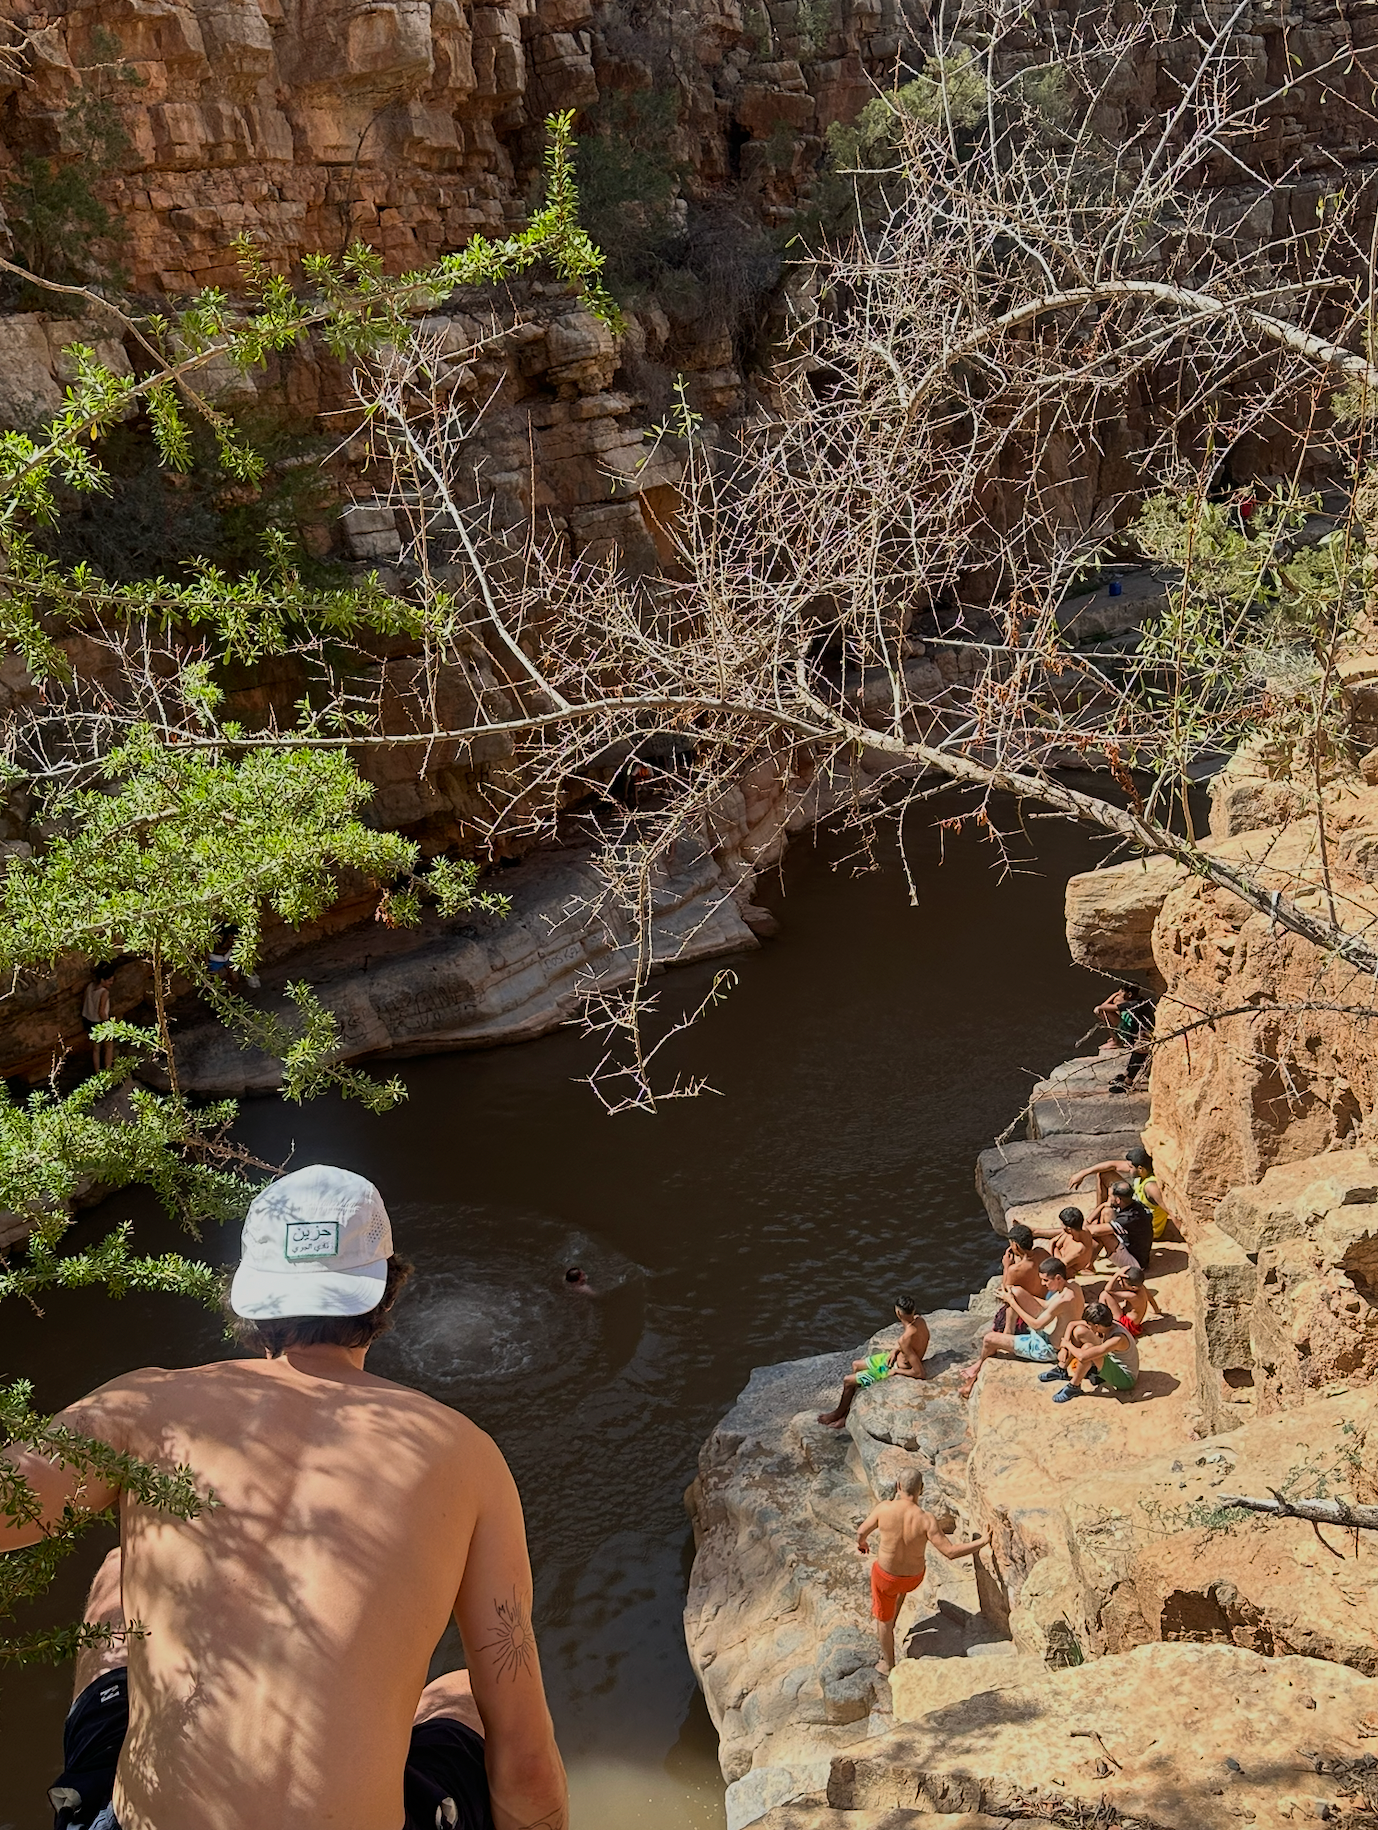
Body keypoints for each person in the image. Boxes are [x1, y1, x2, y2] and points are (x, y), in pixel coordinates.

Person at [3, 1163, 567, 1830]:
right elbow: (525, 1766)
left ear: (249, 1298)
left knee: (119, 1571)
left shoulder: (145, 1403)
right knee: (468, 1693)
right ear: (385, 1292)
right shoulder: (468, 1455)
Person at [855, 1467, 992, 1674]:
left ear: (898, 1486)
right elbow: (951, 1552)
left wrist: (863, 1544)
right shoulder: (927, 1520)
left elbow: (861, 1532)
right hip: (913, 1578)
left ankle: (888, 1664)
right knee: (899, 1588)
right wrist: (982, 1542)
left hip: (886, 1578)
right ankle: (894, 1612)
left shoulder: (884, 1509)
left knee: (883, 1620)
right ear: (922, 1489)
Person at [958, 1259, 1084, 1399]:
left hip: (1047, 1347)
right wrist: (1016, 1296)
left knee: (989, 1339)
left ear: (1058, 1278)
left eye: (1046, 1280)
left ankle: (977, 1371)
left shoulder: (1063, 1300)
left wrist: (1012, 1301)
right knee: (1016, 1291)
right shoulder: (1073, 1286)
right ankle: (1007, 1339)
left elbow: (1037, 1324)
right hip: (1051, 1329)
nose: (1043, 1284)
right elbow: (1048, 1306)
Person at [818, 1297, 930, 1428]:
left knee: (847, 1380)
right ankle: (849, 1410)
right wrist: (895, 1351)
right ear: (913, 1310)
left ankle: (839, 1414)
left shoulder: (905, 1339)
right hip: (893, 1359)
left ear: (898, 1312)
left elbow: (919, 1373)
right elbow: (913, 1343)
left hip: (891, 1369)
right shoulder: (920, 1320)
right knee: (856, 1365)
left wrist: (896, 1371)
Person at [1039, 1301, 1140, 1402]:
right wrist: (1064, 1348)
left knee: (1087, 1349)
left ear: (1097, 1326)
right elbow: (1072, 1324)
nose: (1088, 1326)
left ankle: (1074, 1386)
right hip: (1111, 1358)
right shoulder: (1108, 1324)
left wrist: (1067, 1344)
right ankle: (1061, 1369)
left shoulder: (1117, 1339)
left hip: (1125, 1378)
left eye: (1089, 1324)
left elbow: (1083, 1356)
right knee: (1079, 1331)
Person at [1069, 1144, 1171, 1239]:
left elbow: (1170, 1210)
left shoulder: (1151, 1187)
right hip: (1133, 1208)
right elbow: (1112, 1165)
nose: (1128, 1169)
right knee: (1104, 1174)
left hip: (1142, 1227)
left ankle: (1105, 1233)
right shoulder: (1143, 1171)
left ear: (1140, 1168)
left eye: (1130, 1167)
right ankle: (1097, 1217)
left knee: (1107, 1212)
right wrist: (1083, 1173)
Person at [1092, 984, 1157, 1092]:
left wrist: (1113, 996)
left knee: (1140, 1051)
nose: (1119, 994)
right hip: (1140, 1033)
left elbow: (1103, 1007)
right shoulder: (1139, 1000)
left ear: (1129, 994)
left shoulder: (1133, 1003)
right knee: (1138, 1050)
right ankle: (1127, 1075)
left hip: (1145, 1034)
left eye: (1121, 992)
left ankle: (1128, 1082)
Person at [1090, 1181, 1155, 1272]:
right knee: (1107, 1212)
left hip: (1135, 1263)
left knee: (1102, 1233)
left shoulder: (1128, 1218)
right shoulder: (1133, 1205)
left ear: (1118, 1200)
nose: (1108, 1200)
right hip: (1133, 1246)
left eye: (1110, 1197)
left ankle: (1088, 1265)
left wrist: (1084, 1223)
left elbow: (1093, 1231)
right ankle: (1089, 1264)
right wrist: (1103, 1207)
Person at [992, 1224, 1043, 1332]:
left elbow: (1005, 1295)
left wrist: (1006, 1266)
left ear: (1015, 1246)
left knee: (1002, 1318)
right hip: (1042, 1301)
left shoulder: (1015, 1270)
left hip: (1026, 1310)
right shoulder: (1042, 1253)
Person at [1030, 1206, 1100, 1277]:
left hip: (1063, 1271)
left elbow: (1058, 1266)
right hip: (1058, 1258)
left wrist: (1054, 1248)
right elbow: (1054, 1242)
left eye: (1062, 1224)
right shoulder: (1079, 1230)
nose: (1061, 1226)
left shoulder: (1079, 1250)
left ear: (1069, 1229)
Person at [1102, 1264, 1164, 1337]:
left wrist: (1117, 1274)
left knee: (1104, 1295)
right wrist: (1156, 1310)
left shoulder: (1132, 1296)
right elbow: (1150, 1297)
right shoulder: (1141, 1287)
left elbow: (1108, 1290)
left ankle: (1102, 1324)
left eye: (1122, 1281)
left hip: (1127, 1326)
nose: (1119, 1282)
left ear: (1133, 1288)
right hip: (1134, 1324)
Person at [80, 964, 116, 1073]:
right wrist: (109, 1024)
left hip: (88, 1020)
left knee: (96, 1049)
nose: (111, 983)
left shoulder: (90, 986)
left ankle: (97, 1072)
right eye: (109, 981)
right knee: (109, 1046)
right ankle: (108, 1070)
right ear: (102, 980)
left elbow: (84, 1001)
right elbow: (101, 1011)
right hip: (99, 1021)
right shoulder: (104, 993)